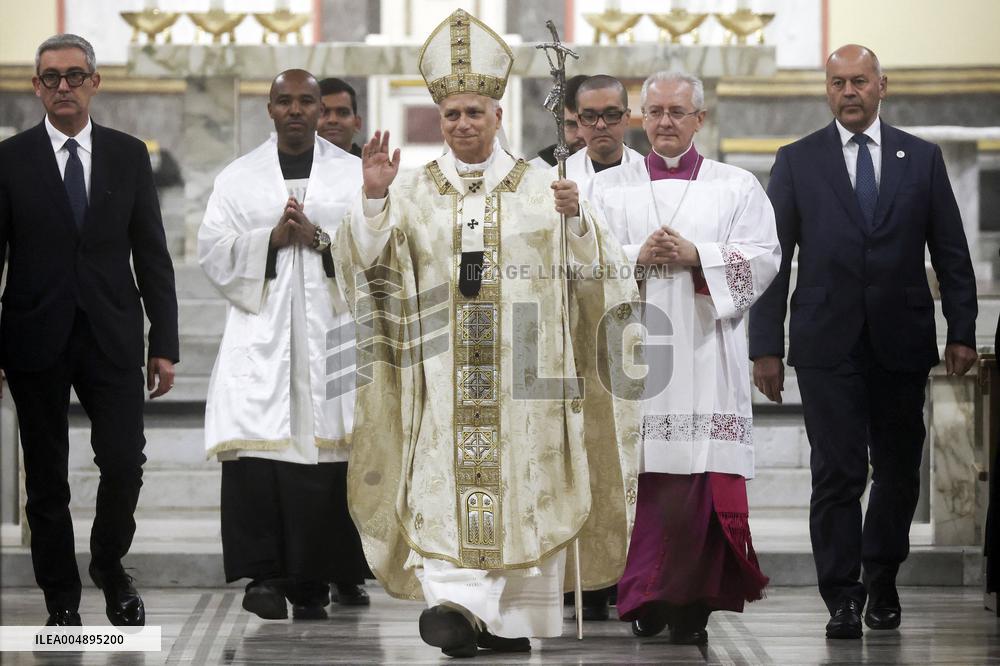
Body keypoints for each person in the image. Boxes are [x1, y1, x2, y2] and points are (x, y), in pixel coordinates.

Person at [334, 10, 641, 658]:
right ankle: (456, 607)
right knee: (444, 493)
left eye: (475, 112)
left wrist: (577, 220)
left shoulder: (543, 188)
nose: (464, 124)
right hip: (442, 384)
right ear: (440, 121)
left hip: (528, 384)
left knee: (527, 495)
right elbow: (371, 272)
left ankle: (500, 625)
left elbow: (599, 279)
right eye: (452, 115)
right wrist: (371, 203)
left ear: (499, 116)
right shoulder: (412, 191)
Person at [748, 44, 978, 639]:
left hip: (902, 340)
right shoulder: (797, 160)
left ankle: (882, 577)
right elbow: (775, 259)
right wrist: (765, 346)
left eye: (858, 81)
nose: (847, 92)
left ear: (882, 86)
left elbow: (951, 252)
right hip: (827, 343)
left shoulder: (921, 159)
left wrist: (962, 333)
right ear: (826, 91)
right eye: (836, 83)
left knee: (899, 469)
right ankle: (842, 594)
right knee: (838, 471)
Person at [591, 70, 779, 645]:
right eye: (654, 112)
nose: (665, 122)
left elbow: (765, 258)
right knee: (640, 478)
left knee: (699, 477)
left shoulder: (737, 186)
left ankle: (694, 597)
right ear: (639, 119)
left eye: (677, 111)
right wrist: (635, 256)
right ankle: (644, 594)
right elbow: (581, 261)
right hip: (635, 357)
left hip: (705, 356)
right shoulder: (609, 190)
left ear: (700, 119)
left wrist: (700, 254)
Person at [0, 33, 178, 627]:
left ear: (95, 82)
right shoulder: (9, 159)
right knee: (46, 477)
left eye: (75, 75)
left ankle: (108, 564)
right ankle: (61, 600)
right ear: (36, 87)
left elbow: (152, 254)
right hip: (34, 335)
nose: (63, 87)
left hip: (112, 334)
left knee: (124, 462)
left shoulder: (129, 155)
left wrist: (166, 345)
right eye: (51, 77)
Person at [198, 69, 367, 621]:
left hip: (330, 331)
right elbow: (213, 251)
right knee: (257, 449)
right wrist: (268, 240)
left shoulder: (353, 175)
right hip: (260, 333)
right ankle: (264, 577)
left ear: (323, 109)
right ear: (268, 109)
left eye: (307, 102)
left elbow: (380, 249)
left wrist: (319, 239)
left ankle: (313, 580)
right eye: (284, 101)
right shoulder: (238, 177)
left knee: (323, 453)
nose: (295, 111)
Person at [566, 74, 643, 201]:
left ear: (627, 117)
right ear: (578, 121)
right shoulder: (560, 178)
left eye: (611, 115)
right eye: (589, 117)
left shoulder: (647, 175)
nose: (600, 125)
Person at [528, 73, 588, 169]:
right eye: (572, 125)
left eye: (587, 123)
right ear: (559, 125)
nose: (580, 134)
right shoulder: (536, 172)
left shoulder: (620, 168)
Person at [318, 77, 363, 157]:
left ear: (357, 124)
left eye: (343, 113)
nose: (333, 120)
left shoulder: (371, 167)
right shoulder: (292, 167)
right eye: (323, 112)